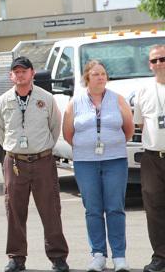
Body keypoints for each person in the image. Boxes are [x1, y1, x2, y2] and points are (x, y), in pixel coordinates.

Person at [0, 56, 69, 272]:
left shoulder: (46, 99)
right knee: (15, 211)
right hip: (15, 162)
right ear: (11, 76)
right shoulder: (3, 102)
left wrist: (41, 148)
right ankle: (17, 258)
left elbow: (55, 128)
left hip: (43, 160)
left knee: (51, 209)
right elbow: (0, 132)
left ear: (32, 73)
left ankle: (58, 257)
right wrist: (16, 148)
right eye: (16, 71)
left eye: (24, 71)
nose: (20, 75)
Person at [62, 60, 133, 272]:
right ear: (87, 78)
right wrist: (86, 146)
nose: (101, 77)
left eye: (103, 74)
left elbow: (128, 130)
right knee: (93, 209)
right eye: (95, 74)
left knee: (115, 208)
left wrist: (111, 143)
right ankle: (98, 255)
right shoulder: (75, 103)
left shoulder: (118, 99)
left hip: (115, 161)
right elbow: (68, 134)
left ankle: (119, 256)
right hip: (85, 163)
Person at [133, 44, 165, 272]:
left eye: (162, 59)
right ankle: (160, 256)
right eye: (154, 60)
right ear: (149, 65)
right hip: (153, 158)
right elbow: (139, 124)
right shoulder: (143, 90)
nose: (159, 64)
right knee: (154, 210)